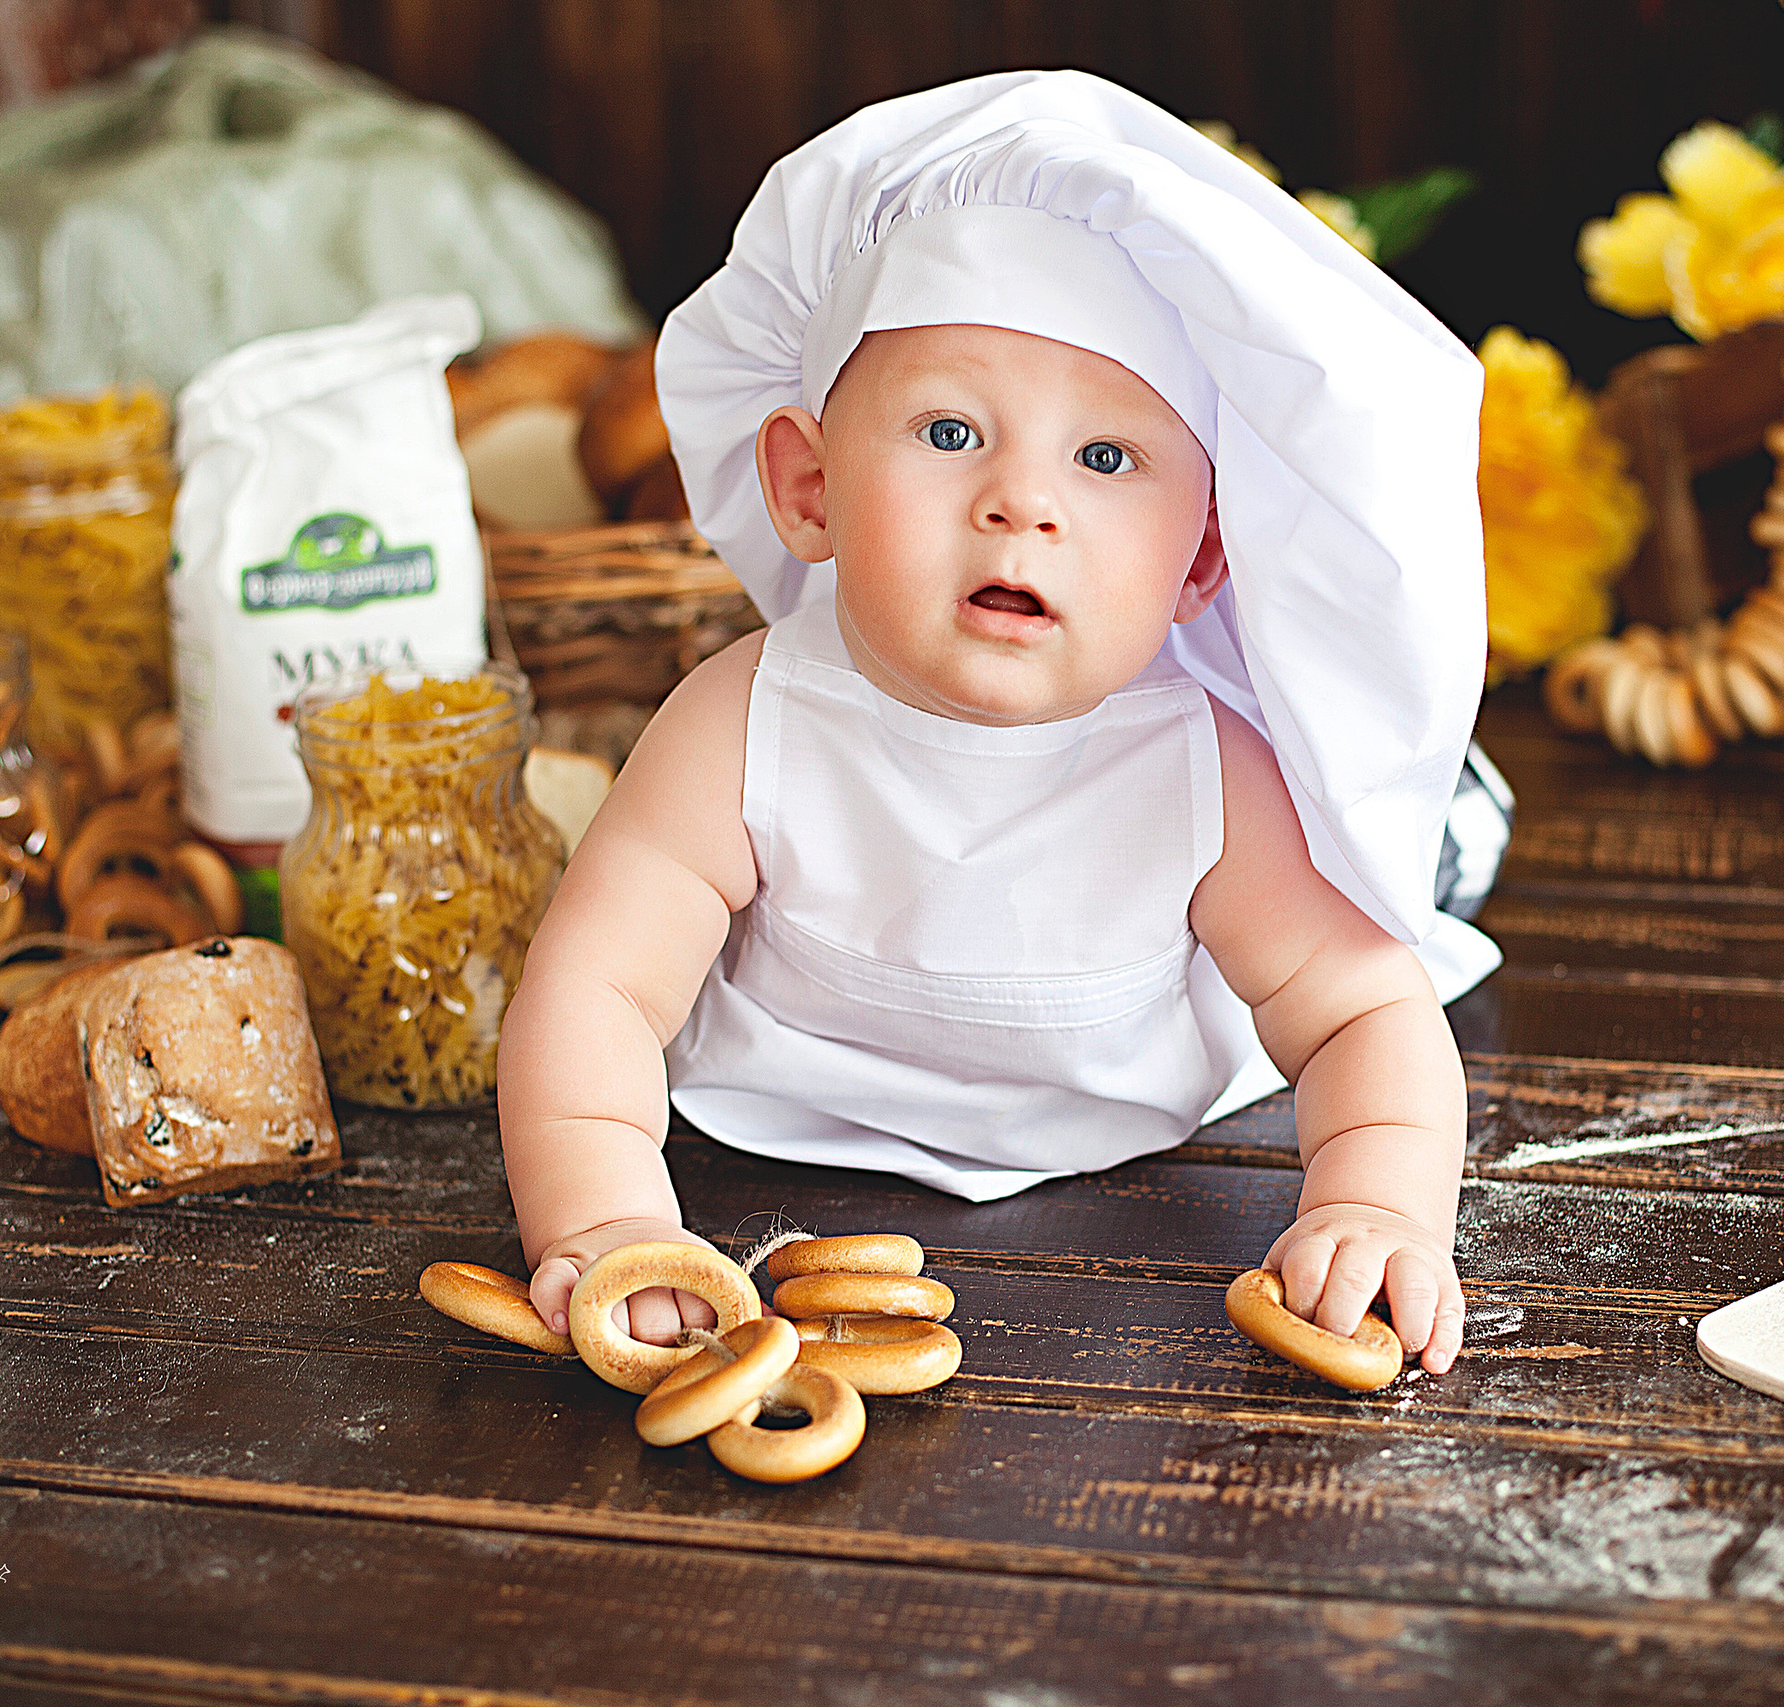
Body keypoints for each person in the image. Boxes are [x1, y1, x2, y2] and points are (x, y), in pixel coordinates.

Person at [496, 69, 1504, 1377]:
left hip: (1136, 1175)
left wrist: (1378, 1204)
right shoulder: (743, 721)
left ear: (1202, 558)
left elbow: (1361, 1010)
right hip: (776, 1138)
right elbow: (597, 985)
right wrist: (605, 1214)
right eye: (949, 430)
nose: (1022, 501)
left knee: (1402, 876)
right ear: (809, 487)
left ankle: (1458, 813)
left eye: (1106, 459)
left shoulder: (1201, 767)